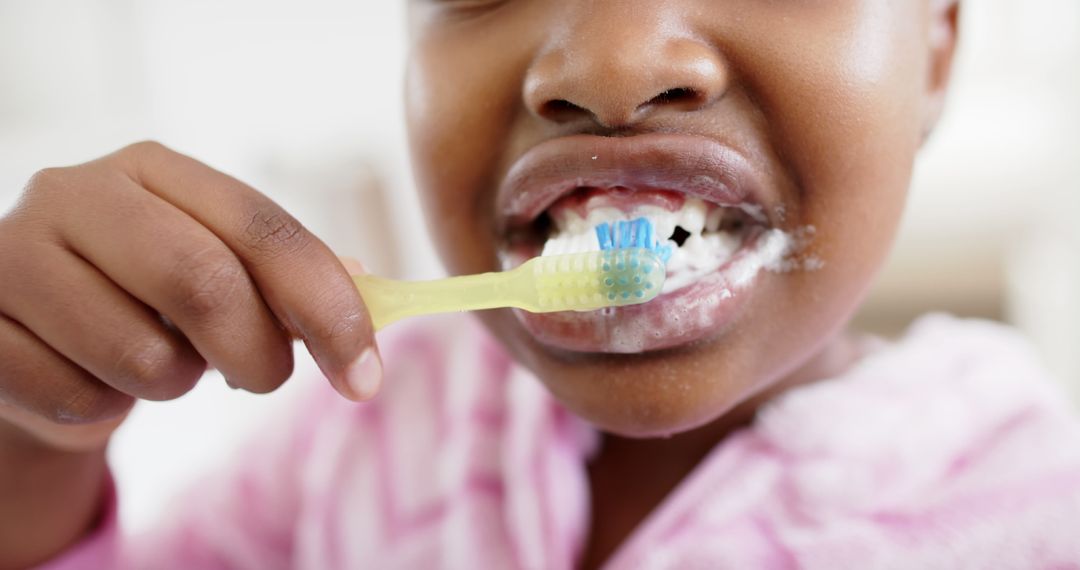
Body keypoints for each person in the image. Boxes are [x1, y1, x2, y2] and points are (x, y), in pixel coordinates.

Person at [3, 1, 1079, 568]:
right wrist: (35, 453)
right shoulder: (354, 447)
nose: (608, 61)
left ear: (935, 51)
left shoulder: (1039, 521)